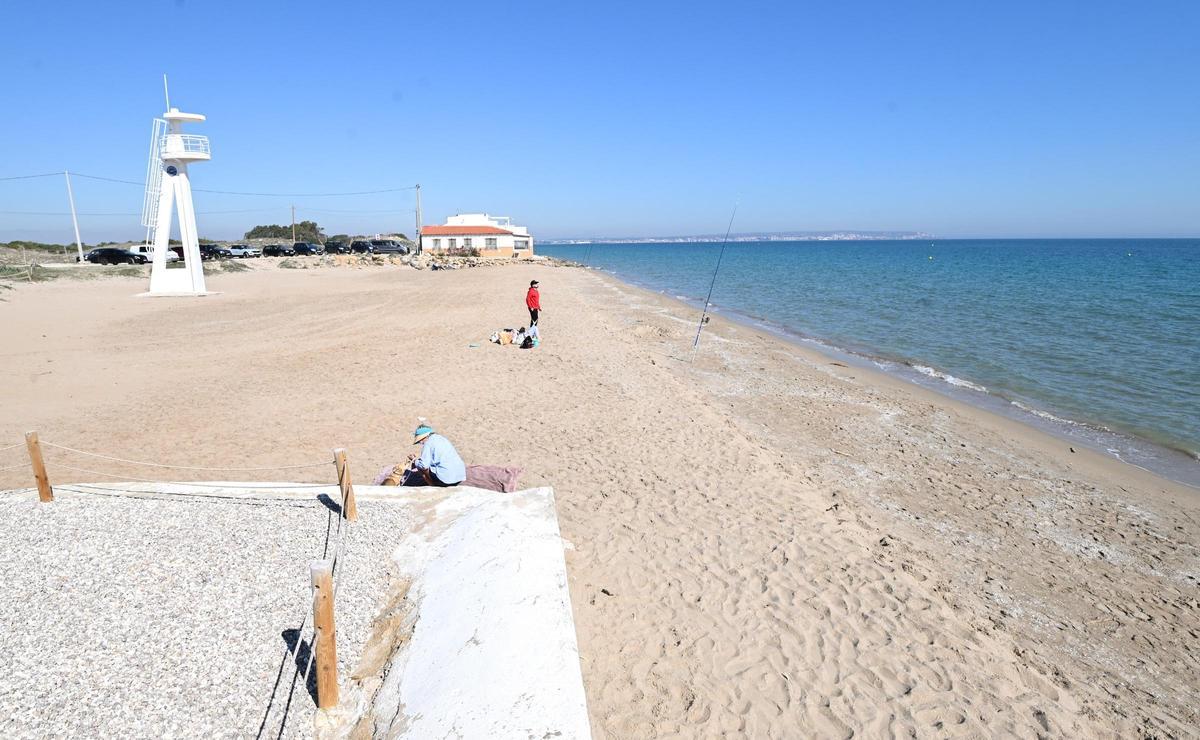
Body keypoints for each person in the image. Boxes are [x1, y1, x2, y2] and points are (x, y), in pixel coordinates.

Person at [402, 423, 466, 487]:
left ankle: (433, 486)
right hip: (459, 477)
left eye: (420, 440)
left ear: (426, 436)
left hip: (446, 480)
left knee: (421, 467)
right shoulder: (442, 438)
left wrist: (414, 460)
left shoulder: (428, 443)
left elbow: (424, 465)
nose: (421, 442)